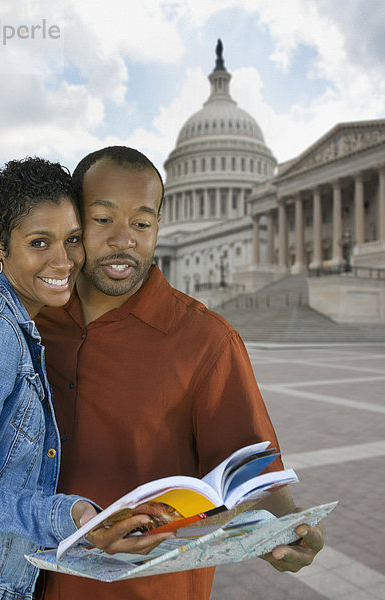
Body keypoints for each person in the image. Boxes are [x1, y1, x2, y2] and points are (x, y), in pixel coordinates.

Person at [36, 146, 324, 600]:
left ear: (158, 228)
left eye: (142, 223)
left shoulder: (206, 340)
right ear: (73, 223)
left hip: (150, 590)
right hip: (22, 584)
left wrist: (284, 528)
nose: (124, 240)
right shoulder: (28, 324)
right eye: (103, 219)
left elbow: (253, 475)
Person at [0, 157, 167, 600]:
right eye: (38, 242)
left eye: (71, 239)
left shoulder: (13, 323)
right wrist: (69, 517)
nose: (63, 259)